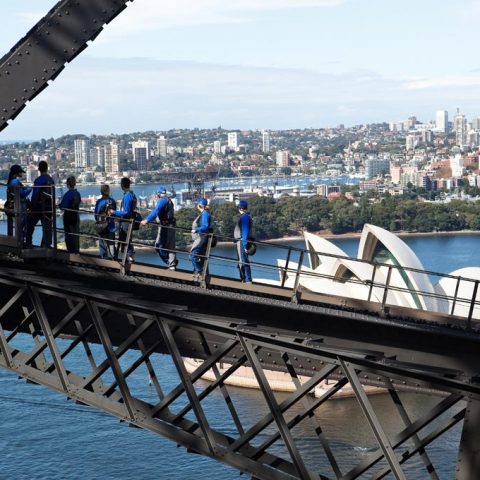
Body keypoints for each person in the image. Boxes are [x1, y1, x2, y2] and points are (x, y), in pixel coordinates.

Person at [140, 186, 177, 270]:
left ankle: (169, 263)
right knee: (170, 246)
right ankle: (172, 264)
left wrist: (147, 220)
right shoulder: (169, 200)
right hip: (171, 225)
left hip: (165, 227)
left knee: (159, 246)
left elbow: (155, 212)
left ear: (159, 194)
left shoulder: (162, 201)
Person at [25, 160, 55, 248]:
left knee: (30, 225)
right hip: (49, 208)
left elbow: (35, 195)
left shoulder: (38, 180)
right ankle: (45, 246)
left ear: (39, 169)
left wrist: (31, 205)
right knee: (47, 229)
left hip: (38, 208)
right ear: (47, 168)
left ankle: (28, 243)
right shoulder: (51, 180)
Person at [110, 177, 137, 262]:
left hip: (126, 220)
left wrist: (114, 212)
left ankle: (129, 256)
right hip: (128, 220)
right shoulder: (131, 194)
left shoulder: (128, 196)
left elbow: (126, 212)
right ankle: (126, 256)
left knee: (126, 238)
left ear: (122, 185)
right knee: (125, 238)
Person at [6, 164, 32, 244]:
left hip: (17, 205)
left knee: (20, 226)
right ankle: (20, 242)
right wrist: (30, 188)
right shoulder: (15, 181)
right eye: (20, 172)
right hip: (20, 206)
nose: (21, 173)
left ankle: (18, 242)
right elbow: (22, 193)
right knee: (21, 226)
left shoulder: (12, 181)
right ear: (16, 173)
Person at [190, 197, 212, 281]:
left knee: (193, 254)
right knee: (201, 255)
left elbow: (205, 226)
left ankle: (199, 271)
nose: (196, 206)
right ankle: (201, 271)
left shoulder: (205, 214)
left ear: (199, 205)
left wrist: (196, 230)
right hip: (202, 236)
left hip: (202, 236)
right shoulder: (204, 213)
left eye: (197, 204)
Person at [59, 176, 81, 254]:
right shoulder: (77, 193)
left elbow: (63, 206)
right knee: (76, 234)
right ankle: (77, 251)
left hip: (68, 217)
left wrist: (59, 205)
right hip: (76, 216)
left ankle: (71, 251)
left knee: (69, 234)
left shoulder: (67, 194)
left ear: (68, 184)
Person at [94, 184, 117, 259]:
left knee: (102, 242)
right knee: (111, 242)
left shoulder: (99, 202)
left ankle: (104, 257)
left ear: (101, 191)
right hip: (111, 225)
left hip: (101, 225)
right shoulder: (112, 201)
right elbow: (115, 212)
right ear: (108, 191)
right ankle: (113, 257)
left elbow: (96, 214)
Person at [234, 199, 252, 283]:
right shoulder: (245, 216)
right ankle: (244, 279)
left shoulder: (244, 217)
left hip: (242, 242)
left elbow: (245, 232)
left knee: (244, 261)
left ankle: (247, 279)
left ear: (241, 208)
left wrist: (245, 245)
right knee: (242, 261)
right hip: (241, 241)